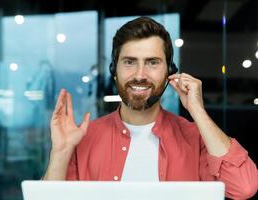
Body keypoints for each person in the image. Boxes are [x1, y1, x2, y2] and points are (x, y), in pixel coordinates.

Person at [43, 17, 258, 199]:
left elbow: (244, 187)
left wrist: (198, 111)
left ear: (169, 72)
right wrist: (61, 152)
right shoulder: (83, 138)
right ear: (114, 70)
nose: (139, 74)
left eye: (152, 62)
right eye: (129, 62)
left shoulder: (197, 138)